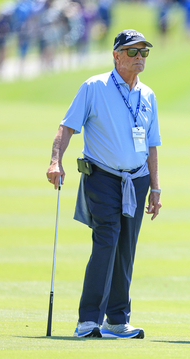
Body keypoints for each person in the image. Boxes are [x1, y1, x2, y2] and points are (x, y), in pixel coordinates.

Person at [46, 29, 161, 338]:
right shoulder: (94, 87)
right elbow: (67, 126)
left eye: (144, 52)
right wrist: (56, 160)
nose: (140, 58)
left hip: (137, 181)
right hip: (102, 176)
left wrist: (156, 188)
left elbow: (151, 146)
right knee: (107, 239)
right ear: (116, 55)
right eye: (133, 52)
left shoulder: (147, 95)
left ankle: (116, 319)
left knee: (126, 248)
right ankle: (88, 320)